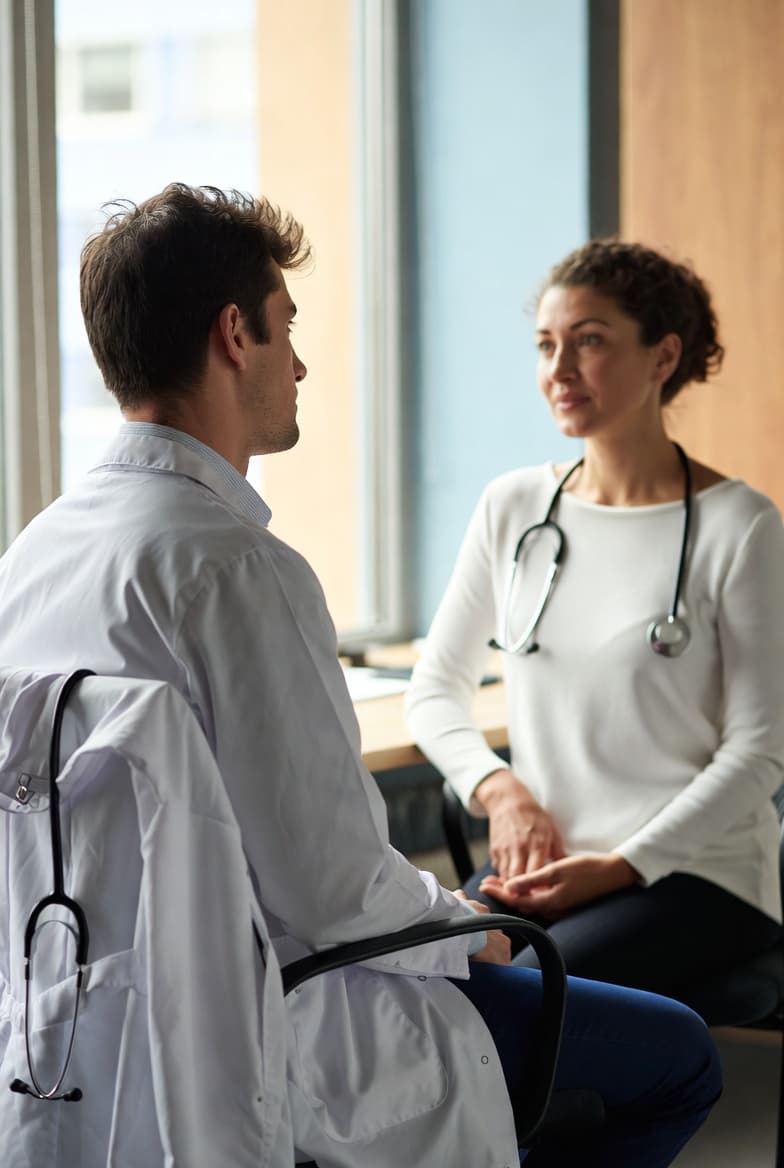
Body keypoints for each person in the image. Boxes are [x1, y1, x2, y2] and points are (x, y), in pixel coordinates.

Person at [0, 191, 720, 1166]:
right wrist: (462, 925)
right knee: (679, 1057)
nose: (299, 365)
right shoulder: (235, 568)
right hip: (284, 1016)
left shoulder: (35, 556)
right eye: (286, 327)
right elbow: (330, 888)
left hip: (84, 1025)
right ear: (235, 336)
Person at [405, 238, 784, 1001]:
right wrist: (501, 791)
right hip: (544, 866)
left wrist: (620, 866)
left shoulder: (740, 526)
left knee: (512, 998)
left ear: (663, 356)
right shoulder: (514, 507)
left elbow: (760, 751)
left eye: (590, 341)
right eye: (546, 345)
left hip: (695, 874)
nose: (560, 369)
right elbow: (434, 690)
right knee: (413, 977)